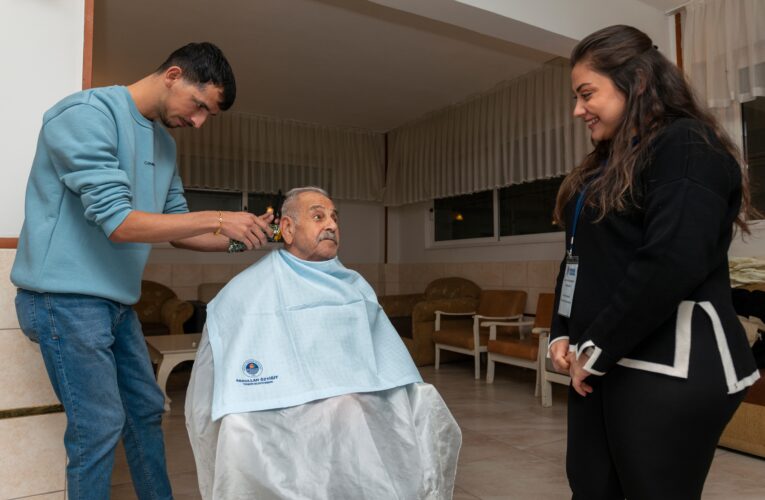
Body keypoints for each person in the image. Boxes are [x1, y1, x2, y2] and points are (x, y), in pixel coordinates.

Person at [11, 42, 274, 500]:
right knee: (98, 425)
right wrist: (217, 216)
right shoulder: (83, 114)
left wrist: (250, 235)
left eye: (208, 115)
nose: (198, 122)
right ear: (173, 75)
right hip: (63, 300)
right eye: (198, 106)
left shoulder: (164, 146)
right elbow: (119, 222)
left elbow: (176, 230)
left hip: (115, 303)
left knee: (146, 410)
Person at [549, 25, 760, 500]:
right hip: (601, 359)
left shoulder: (687, 145)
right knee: (591, 485)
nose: (577, 110)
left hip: (671, 364)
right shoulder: (603, 165)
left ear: (636, 83)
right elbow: (577, 256)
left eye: (587, 94)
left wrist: (598, 346)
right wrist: (561, 330)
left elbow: (671, 259)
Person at [185, 187, 462, 500]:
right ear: (287, 229)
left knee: (379, 404)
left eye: (334, 218)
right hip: (280, 397)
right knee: (240, 426)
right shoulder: (252, 285)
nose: (331, 225)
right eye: (318, 216)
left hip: (351, 395)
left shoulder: (354, 285)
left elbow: (381, 357)